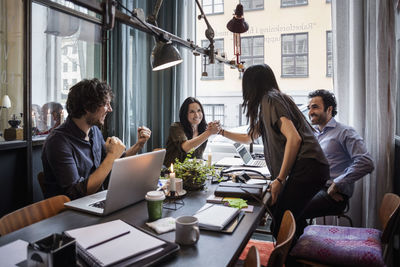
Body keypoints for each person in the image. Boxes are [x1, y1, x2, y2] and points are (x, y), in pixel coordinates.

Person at [218, 64, 329, 238]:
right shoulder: (269, 103)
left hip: (308, 167)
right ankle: (299, 256)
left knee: (279, 223)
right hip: (312, 167)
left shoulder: (271, 100)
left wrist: (279, 179)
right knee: (289, 219)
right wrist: (221, 131)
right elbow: (249, 137)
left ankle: (287, 259)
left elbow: (294, 138)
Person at [42, 78, 151, 200]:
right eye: (106, 104)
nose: (110, 109)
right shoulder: (57, 142)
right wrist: (112, 156)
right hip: (68, 213)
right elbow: (77, 193)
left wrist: (138, 145)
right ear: (88, 107)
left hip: (96, 202)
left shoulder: (94, 131)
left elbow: (110, 164)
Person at [301, 89, 374, 219]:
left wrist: (337, 183)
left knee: (292, 210)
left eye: (315, 107)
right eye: (309, 108)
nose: (310, 112)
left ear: (329, 109)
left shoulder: (345, 132)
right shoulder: (314, 134)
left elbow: (366, 162)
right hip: (315, 187)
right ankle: (299, 239)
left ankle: (296, 239)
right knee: (279, 204)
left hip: (332, 193)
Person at [164, 97, 220, 167]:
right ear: (185, 114)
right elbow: (186, 148)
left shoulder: (203, 130)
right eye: (192, 112)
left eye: (199, 110)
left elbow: (198, 158)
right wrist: (209, 132)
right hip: (172, 173)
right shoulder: (176, 127)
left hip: (191, 172)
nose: (196, 115)